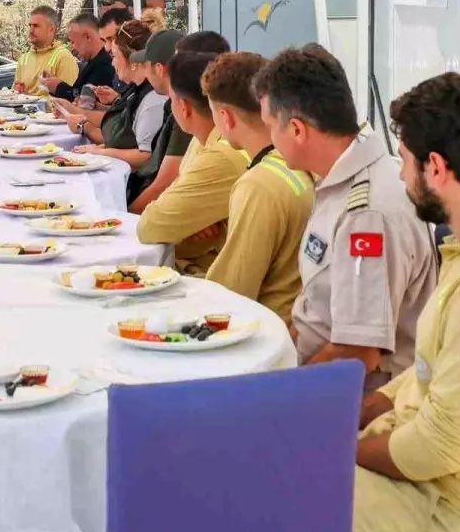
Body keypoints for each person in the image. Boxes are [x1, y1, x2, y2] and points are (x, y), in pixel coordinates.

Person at [352, 72, 460, 532]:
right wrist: (368, 407)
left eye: (404, 160)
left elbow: (440, 447)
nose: (401, 175)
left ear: (435, 167)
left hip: (453, 505)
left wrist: (342, 451)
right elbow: (434, 367)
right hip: (427, 472)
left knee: (278, 500)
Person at [254, 45, 436, 389]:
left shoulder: (366, 215)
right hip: (314, 372)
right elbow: (316, 312)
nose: (269, 138)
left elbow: (357, 352)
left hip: (353, 398)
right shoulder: (342, 180)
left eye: (270, 126)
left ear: (297, 130)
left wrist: (280, 390)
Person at [200, 52, 313, 322]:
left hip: (268, 326)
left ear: (226, 117)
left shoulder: (257, 186)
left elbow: (230, 292)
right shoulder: (297, 163)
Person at [137, 51, 249, 272]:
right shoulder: (201, 140)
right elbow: (171, 199)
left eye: (171, 99)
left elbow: (150, 225)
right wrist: (190, 225)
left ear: (184, 107)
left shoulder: (220, 156)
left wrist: (183, 224)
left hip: (208, 276)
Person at [128, 30, 230, 213]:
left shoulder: (193, 119)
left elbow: (164, 186)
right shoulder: (197, 129)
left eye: (181, 64)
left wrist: (124, 215)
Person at [67, 19, 166, 167]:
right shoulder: (138, 89)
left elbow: (145, 156)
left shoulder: (152, 98)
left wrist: (100, 152)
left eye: (114, 56)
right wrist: (96, 149)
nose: (112, 63)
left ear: (133, 61)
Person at [13, 5, 79, 97]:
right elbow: (15, 96)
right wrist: (21, 94)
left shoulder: (63, 57)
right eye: (30, 25)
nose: (31, 30)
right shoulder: (23, 59)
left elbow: (70, 98)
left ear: (51, 29)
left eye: (36, 26)